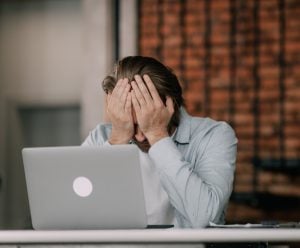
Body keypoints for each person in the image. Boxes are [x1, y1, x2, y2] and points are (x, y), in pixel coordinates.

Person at [82, 56, 238, 228]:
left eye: (145, 122)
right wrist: (118, 139)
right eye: (132, 125)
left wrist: (157, 135)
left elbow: (204, 218)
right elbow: (78, 215)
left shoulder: (212, 135)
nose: (140, 137)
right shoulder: (100, 138)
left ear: (171, 106)